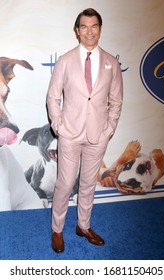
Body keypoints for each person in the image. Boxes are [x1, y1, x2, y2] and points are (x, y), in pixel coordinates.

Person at [46, 8, 123, 253]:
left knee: (89, 183)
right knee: (65, 184)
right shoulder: (65, 61)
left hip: (97, 135)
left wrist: (108, 129)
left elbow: (116, 101)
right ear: (77, 30)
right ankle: (57, 230)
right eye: (84, 27)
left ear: (100, 29)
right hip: (69, 133)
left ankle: (83, 225)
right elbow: (52, 97)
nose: (89, 32)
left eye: (94, 26)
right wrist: (59, 126)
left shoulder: (112, 62)